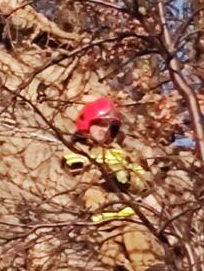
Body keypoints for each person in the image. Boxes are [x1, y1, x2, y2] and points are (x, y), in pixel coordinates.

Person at [61, 97, 162, 271]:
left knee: (136, 244)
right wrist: (103, 176)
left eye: (110, 127)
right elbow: (78, 174)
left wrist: (129, 180)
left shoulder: (120, 153)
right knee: (112, 257)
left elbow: (141, 181)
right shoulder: (77, 150)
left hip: (127, 215)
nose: (105, 130)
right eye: (100, 124)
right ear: (87, 123)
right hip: (100, 218)